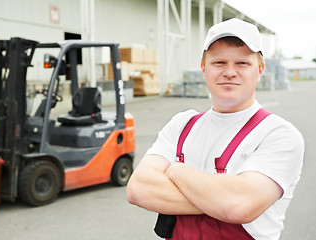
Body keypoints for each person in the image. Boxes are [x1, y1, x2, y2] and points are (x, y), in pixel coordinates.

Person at [126, 18, 304, 240]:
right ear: (203, 68)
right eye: (219, 63)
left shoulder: (278, 135)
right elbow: (138, 189)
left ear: (259, 70)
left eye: (242, 63)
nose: (230, 72)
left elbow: (239, 206)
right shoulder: (182, 125)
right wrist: (219, 197)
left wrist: (176, 171)